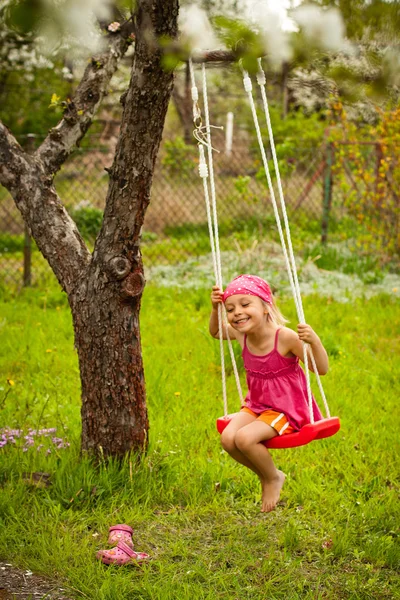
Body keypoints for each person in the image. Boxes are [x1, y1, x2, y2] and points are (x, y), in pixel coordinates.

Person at [209, 274, 329, 513]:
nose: (237, 313)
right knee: (228, 440)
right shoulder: (240, 334)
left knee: (244, 439)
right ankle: (267, 475)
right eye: (230, 309)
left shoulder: (284, 337)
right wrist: (215, 310)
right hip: (256, 405)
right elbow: (215, 333)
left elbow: (321, 369)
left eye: (245, 305)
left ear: (266, 307)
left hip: (286, 409)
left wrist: (314, 341)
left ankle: (273, 477)